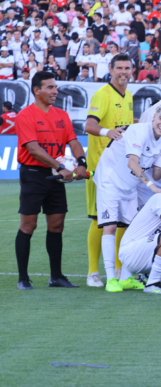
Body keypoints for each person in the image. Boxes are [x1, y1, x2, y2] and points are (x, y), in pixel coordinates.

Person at [94, 102, 161, 292]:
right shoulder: (139, 131)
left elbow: (157, 174)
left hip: (130, 186)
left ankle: (125, 277)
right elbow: (133, 163)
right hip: (110, 181)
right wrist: (152, 187)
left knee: (135, 231)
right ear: (154, 117)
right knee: (110, 227)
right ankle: (110, 279)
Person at [15, 71, 88, 290]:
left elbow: (73, 141)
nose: (55, 91)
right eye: (50, 87)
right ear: (37, 91)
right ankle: (23, 279)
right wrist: (61, 167)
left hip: (57, 176)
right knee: (28, 226)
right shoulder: (25, 116)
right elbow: (33, 149)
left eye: (55, 87)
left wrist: (81, 162)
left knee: (57, 226)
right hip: (34, 175)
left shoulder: (61, 115)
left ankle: (56, 277)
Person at [84, 53, 133, 288]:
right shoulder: (102, 95)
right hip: (99, 170)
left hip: (120, 170)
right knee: (99, 220)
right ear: (111, 70)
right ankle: (93, 272)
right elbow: (89, 125)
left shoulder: (129, 96)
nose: (124, 71)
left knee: (122, 220)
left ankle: (118, 269)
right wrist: (107, 132)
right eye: (119, 68)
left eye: (127, 68)